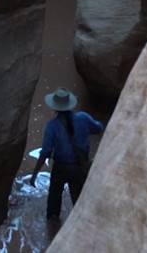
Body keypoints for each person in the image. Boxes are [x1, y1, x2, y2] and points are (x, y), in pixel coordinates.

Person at [28, 87, 105, 220]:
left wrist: (35, 174)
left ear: (55, 107)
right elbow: (99, 128)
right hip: (79, 167)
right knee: (80, 204)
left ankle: (53, 225)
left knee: (53, 202)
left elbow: (45, 152)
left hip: (60, 168)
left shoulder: (52, 126)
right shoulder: (83, 118)